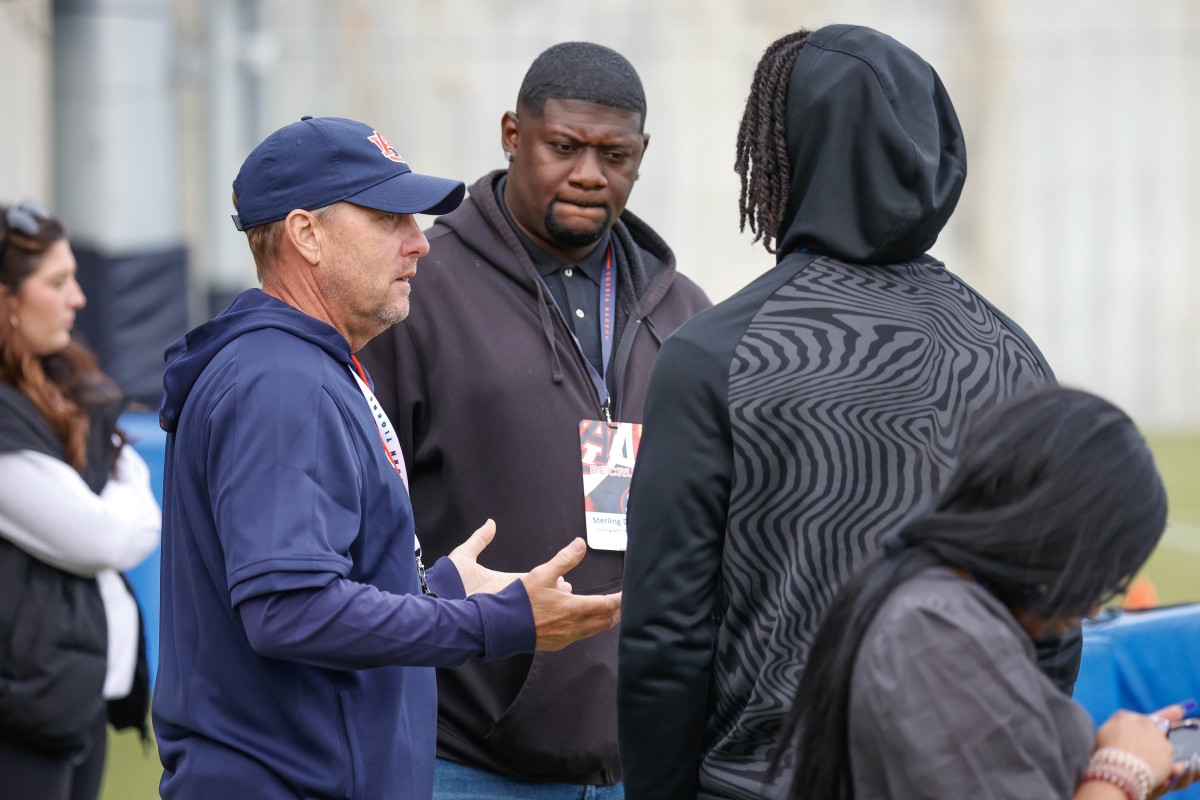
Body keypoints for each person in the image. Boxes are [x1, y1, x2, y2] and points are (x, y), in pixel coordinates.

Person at [617, 24, 1065, 800]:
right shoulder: (1015, 357)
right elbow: (1053, 620)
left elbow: (666, 637)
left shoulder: (712, 356)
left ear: (786, 149)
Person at [153, 116, 623, 800]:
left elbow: (310, 589)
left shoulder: (304, 367)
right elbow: (289, 610)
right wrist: (501, 622)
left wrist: (440, 590)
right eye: (388, 219)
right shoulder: (281, 380)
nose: (418, 244)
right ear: (306, 234)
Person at [357, 42, 710, 798]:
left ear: (643, 154)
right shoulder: (417, 289)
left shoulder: (685, 316)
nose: (590, 173)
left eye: (615, 154)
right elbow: (358, 515)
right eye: (565, 147)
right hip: (461, 757)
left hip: (643, 762)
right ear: (513, 135)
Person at [780, 387, 1198, 800]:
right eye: (1099, 577)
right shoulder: (937, 632)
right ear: (1054, 534)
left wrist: (1118, 760)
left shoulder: (936, 600)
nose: (1092, 607)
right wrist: (1123, 773)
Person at [0, 199, 159, 800]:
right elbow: (104, 538)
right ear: (6, 298)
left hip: (72, 700)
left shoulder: (63, 386)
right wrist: (128, 482)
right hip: (22, 711)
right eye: (57, 282)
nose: (79, 299)